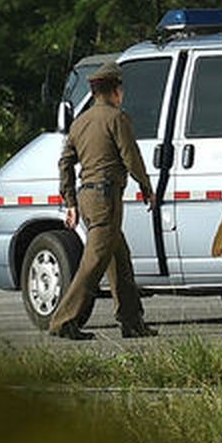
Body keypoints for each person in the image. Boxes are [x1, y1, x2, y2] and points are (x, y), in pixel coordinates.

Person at [48, 61, 157, 340]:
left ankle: (132, 322)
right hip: (107, 198)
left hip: (87, 198)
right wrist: (146, 186)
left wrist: (70, 201)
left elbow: (65, 163)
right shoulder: (117, 119)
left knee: (119, 259)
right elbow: (130, 156)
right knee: (94, 262)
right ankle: (64, 321)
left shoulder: (80, 122)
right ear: (115, 91)